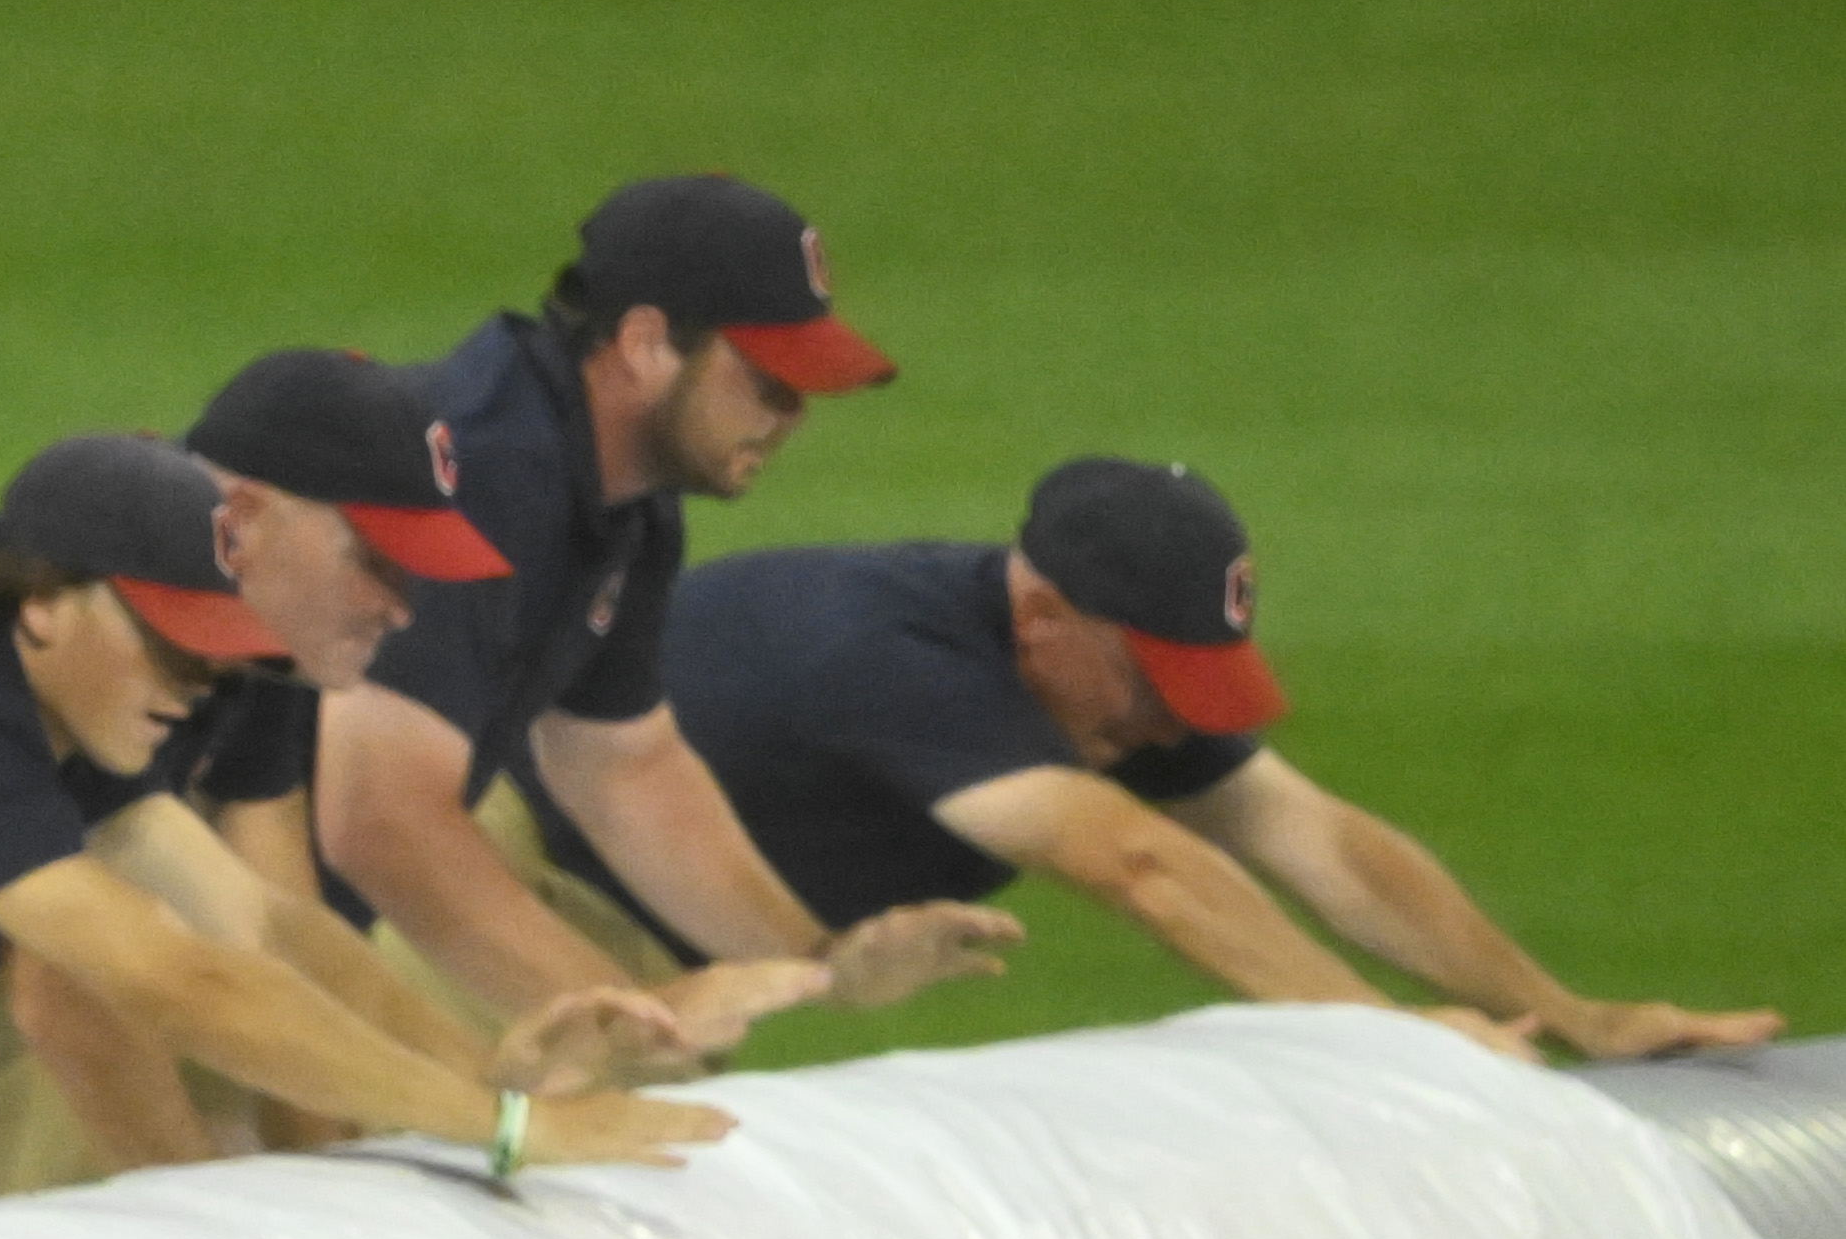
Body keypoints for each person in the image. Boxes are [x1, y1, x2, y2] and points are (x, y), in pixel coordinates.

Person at [0, 435, 736, 1223]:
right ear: (46, 602)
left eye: (218, 649)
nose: (206, 684)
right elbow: (176, 980)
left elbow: (259, 930)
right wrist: (499, 1133)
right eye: (175, 646)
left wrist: (496, 1093)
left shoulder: (42, 676)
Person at [663, 458, 1780, 1061]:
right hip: (536, 901)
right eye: (1153, 680)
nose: (1170, 720)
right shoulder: (888, 658)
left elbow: (1316, 836)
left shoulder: (1083, 677)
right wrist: (1395, 1052)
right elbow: (1138, 865)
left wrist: (1572, 1015)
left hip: (683, 955)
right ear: (1045, 617)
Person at [313, 176, 1018, 1053]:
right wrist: (640, 1017)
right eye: (766, 381)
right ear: (644, 344)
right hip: (144, 888)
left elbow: (621, 764)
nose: (791, 417)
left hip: (246, 913)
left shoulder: (624, 501)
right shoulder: (480, 469)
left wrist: (820, 964)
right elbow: (376, 818)